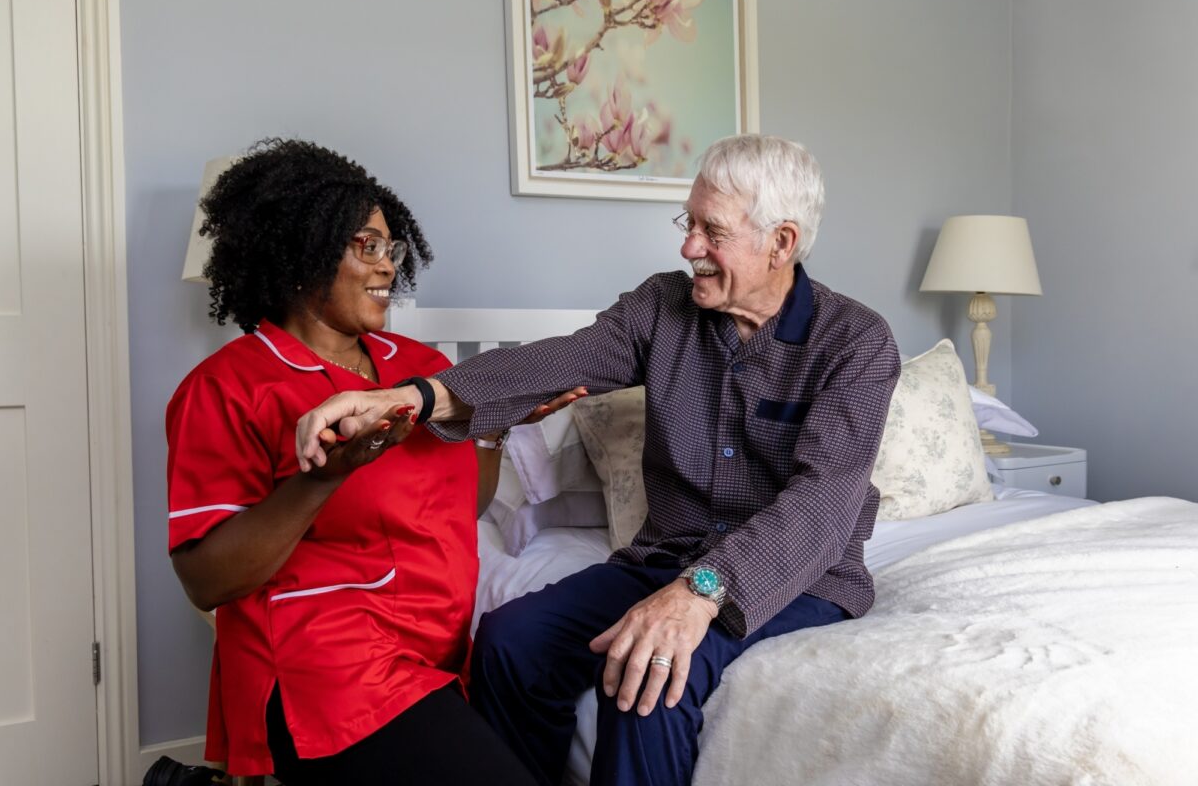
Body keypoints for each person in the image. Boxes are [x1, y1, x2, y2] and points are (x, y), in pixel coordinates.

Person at [294, 134, 901, 786]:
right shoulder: (662, 307)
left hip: (796, 577)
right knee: (507, 642)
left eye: (711, 232)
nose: (689, 247)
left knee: (647, 678)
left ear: (780, 243)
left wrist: (697, 596)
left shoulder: (855, 342)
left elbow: (822, 504)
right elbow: (559, 360)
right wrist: (414, 397)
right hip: (666, 561)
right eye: (688, 224)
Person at [166, 139, 569, 785]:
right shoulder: (227, 387)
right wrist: (323, 478)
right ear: (302, 254)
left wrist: (492, 427)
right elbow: (205, 581)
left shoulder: (423, 371)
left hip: (434, 650)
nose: (387, 267)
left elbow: (456, 508)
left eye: (391, 248)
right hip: (328, 664)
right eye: (366, 247)